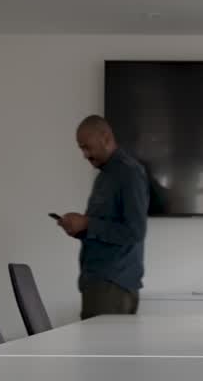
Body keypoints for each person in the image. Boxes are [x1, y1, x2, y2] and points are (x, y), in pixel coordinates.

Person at [57, 115, 149, 320]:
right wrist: (80, 228)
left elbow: (135, 231)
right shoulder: (106, 174)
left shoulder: (128, 172)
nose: (84, 154)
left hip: (111, 287)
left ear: (106, 138)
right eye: (81, 148)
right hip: (102, 285)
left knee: (100, 352)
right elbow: (105, 229)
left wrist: (88, 223)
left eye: (87, 147)